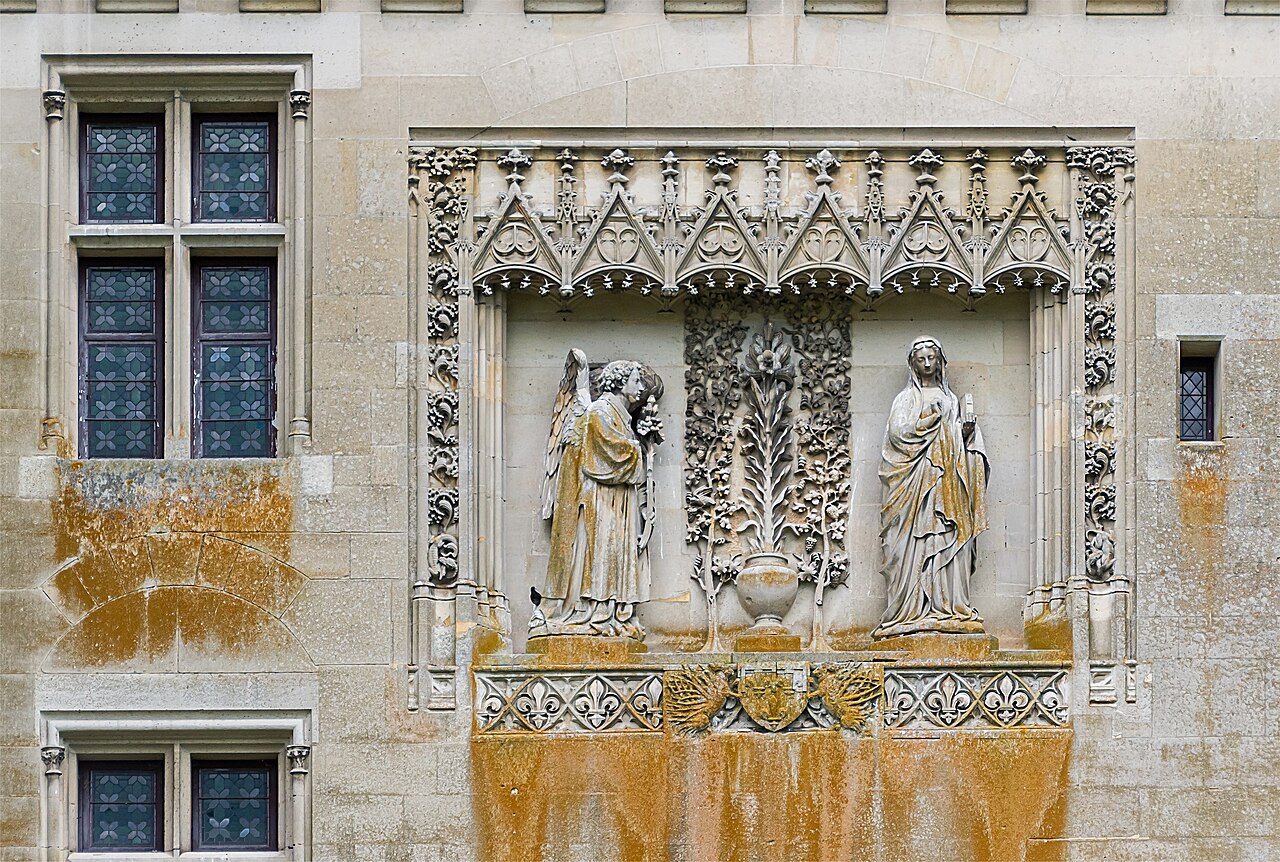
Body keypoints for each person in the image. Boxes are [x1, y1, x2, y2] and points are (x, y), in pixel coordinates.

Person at [535, 358, 662, 640]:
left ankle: (614, 614)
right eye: (635, 380)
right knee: (603, 553)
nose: (639, 387)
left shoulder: (617, 415)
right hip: (601, 501)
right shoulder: (600, 412)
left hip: (615, 501)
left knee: (614, 553)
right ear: (619, 382)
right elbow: (606, 456)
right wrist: (639, 450)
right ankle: (598, 613)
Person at [875, 336, 989, 640]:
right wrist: (928, 420)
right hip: (913, 485)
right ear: (913, 363)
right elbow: (897, 437)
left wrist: (964, 433)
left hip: (947, 486)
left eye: (932, 358)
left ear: (940, 361)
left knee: (948, 539)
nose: (927, 364)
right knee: (911, 545)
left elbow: (966, 445)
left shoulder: (951, 399)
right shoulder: (905, 399)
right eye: (921, 359)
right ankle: (909, 610)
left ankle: (949, 605)